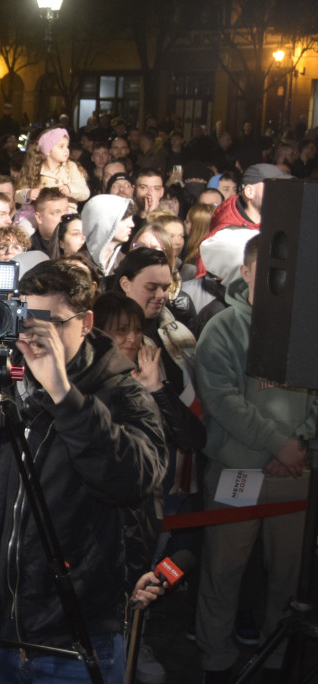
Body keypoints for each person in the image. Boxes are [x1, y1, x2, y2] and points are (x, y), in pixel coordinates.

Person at [0, 260, 166, 683]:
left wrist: (63, 394)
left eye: (48, 323)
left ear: (86, 323)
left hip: (73, 635)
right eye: (26, 320)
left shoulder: (121, 393)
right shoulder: (4, 385)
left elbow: (133, 481)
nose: (32, 336)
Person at [194, 235, 317, 684]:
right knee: (223, 570)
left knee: (290, 576)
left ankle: (281, 655)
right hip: (237, 469)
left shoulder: (307, 328)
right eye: (266, 269)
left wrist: (299, 445)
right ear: (245, 272)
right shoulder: (223, 328)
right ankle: (215, 658)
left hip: (296, 471)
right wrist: (278, 445)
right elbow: (223, 400)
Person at [81, 194, 134, 276]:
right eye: (124, 219)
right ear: (104, 222)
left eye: (131, 218)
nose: (132, 224)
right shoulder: (78, 264)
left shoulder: (124, 263)